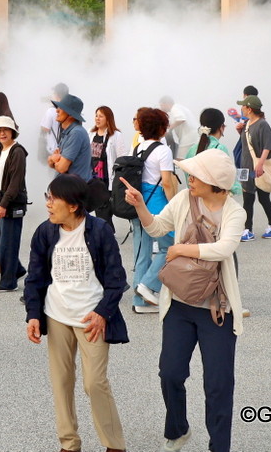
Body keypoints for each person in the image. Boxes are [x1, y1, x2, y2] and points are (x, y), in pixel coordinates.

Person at [121, 149, 245, 452]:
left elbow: (224, 248)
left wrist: (179, 251)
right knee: (171, 373)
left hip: (217, 309)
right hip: (178, 304)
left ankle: (220, 447)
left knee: (218, 385)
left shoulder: (234, 211)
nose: (189, 178)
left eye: (195, 175)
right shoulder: (183, 199)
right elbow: (156, 228)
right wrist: (140, 207)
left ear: (213, 181)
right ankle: (177, 430)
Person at [24, 174, 128, 452]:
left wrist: (103, 313)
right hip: (56, 316)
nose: (48, 204)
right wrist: (33, 315)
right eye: (47, 197)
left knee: (94, 383)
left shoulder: (99, 231)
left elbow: (117, 278)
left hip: (91, 319)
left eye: (53, 198)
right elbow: (34, 277)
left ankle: (114, 445)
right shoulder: (45, 232)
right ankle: (69, 444)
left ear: (73, 206)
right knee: (61, 382)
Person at [130, 108, 178, 313]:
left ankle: (139, 301)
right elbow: (167, 182)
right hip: (157, 204)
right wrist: (175, 205)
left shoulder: (138, 148)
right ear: (161, 128)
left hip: (138, 203)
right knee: (170, 247)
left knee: (142, 252)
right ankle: (148, 286)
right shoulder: (163, 150)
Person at [0, 115, 28, 292]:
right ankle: (15, 270)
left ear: (13, 132)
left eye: (5, 130)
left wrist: (3, 204)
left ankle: (8, 281)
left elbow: (15, 182)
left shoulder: (17, 152)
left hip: (10, 203)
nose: (2, 133)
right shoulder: (0, 151)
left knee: (7, 243)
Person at [234, 96, 271, 242]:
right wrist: (239, 132)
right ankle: (247, 229)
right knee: (247, 199)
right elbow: (247, 144)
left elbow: (268, 146)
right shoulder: (247, 124)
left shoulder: (262, 125)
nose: (241, 108)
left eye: (243, 106)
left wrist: (259, 165)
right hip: (245, 167)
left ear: (249, 108)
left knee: (263, 198)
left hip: (258, 167)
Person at [186, 109, 243, 198]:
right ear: (221, 127)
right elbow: (227, 178)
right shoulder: (220, 149)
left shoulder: (192, 149)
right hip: (214, 199)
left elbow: (188, 178)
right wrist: (238, 188)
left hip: (195, 199)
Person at [89, 106, 125, 230]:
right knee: (99, 206)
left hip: (108, 178)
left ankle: (106, 231)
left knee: (105, 206)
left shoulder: (116, 135)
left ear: (108, 118)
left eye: (101, 116)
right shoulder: (91, 133)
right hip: (94, 177)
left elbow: (122, 158)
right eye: (96, 115)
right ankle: (106, 230)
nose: (97, 118)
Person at [48, 94, 91, 180]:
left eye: (61, 108)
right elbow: (50, 162)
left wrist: (53, 159)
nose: (57, 110)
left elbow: (62, 168)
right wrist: (53, 159)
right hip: (67, 188)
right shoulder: (68, 132)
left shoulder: (76, 133)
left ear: (71, 115)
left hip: (74, 190)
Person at [160, 96, 194, 160]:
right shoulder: (179, 108)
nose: (161, 108)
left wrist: (169, 129)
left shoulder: (175, 108)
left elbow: (181, 119)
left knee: (180, 158)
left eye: (161, 105)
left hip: (188, 137)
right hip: (191, 136)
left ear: (166, 103)